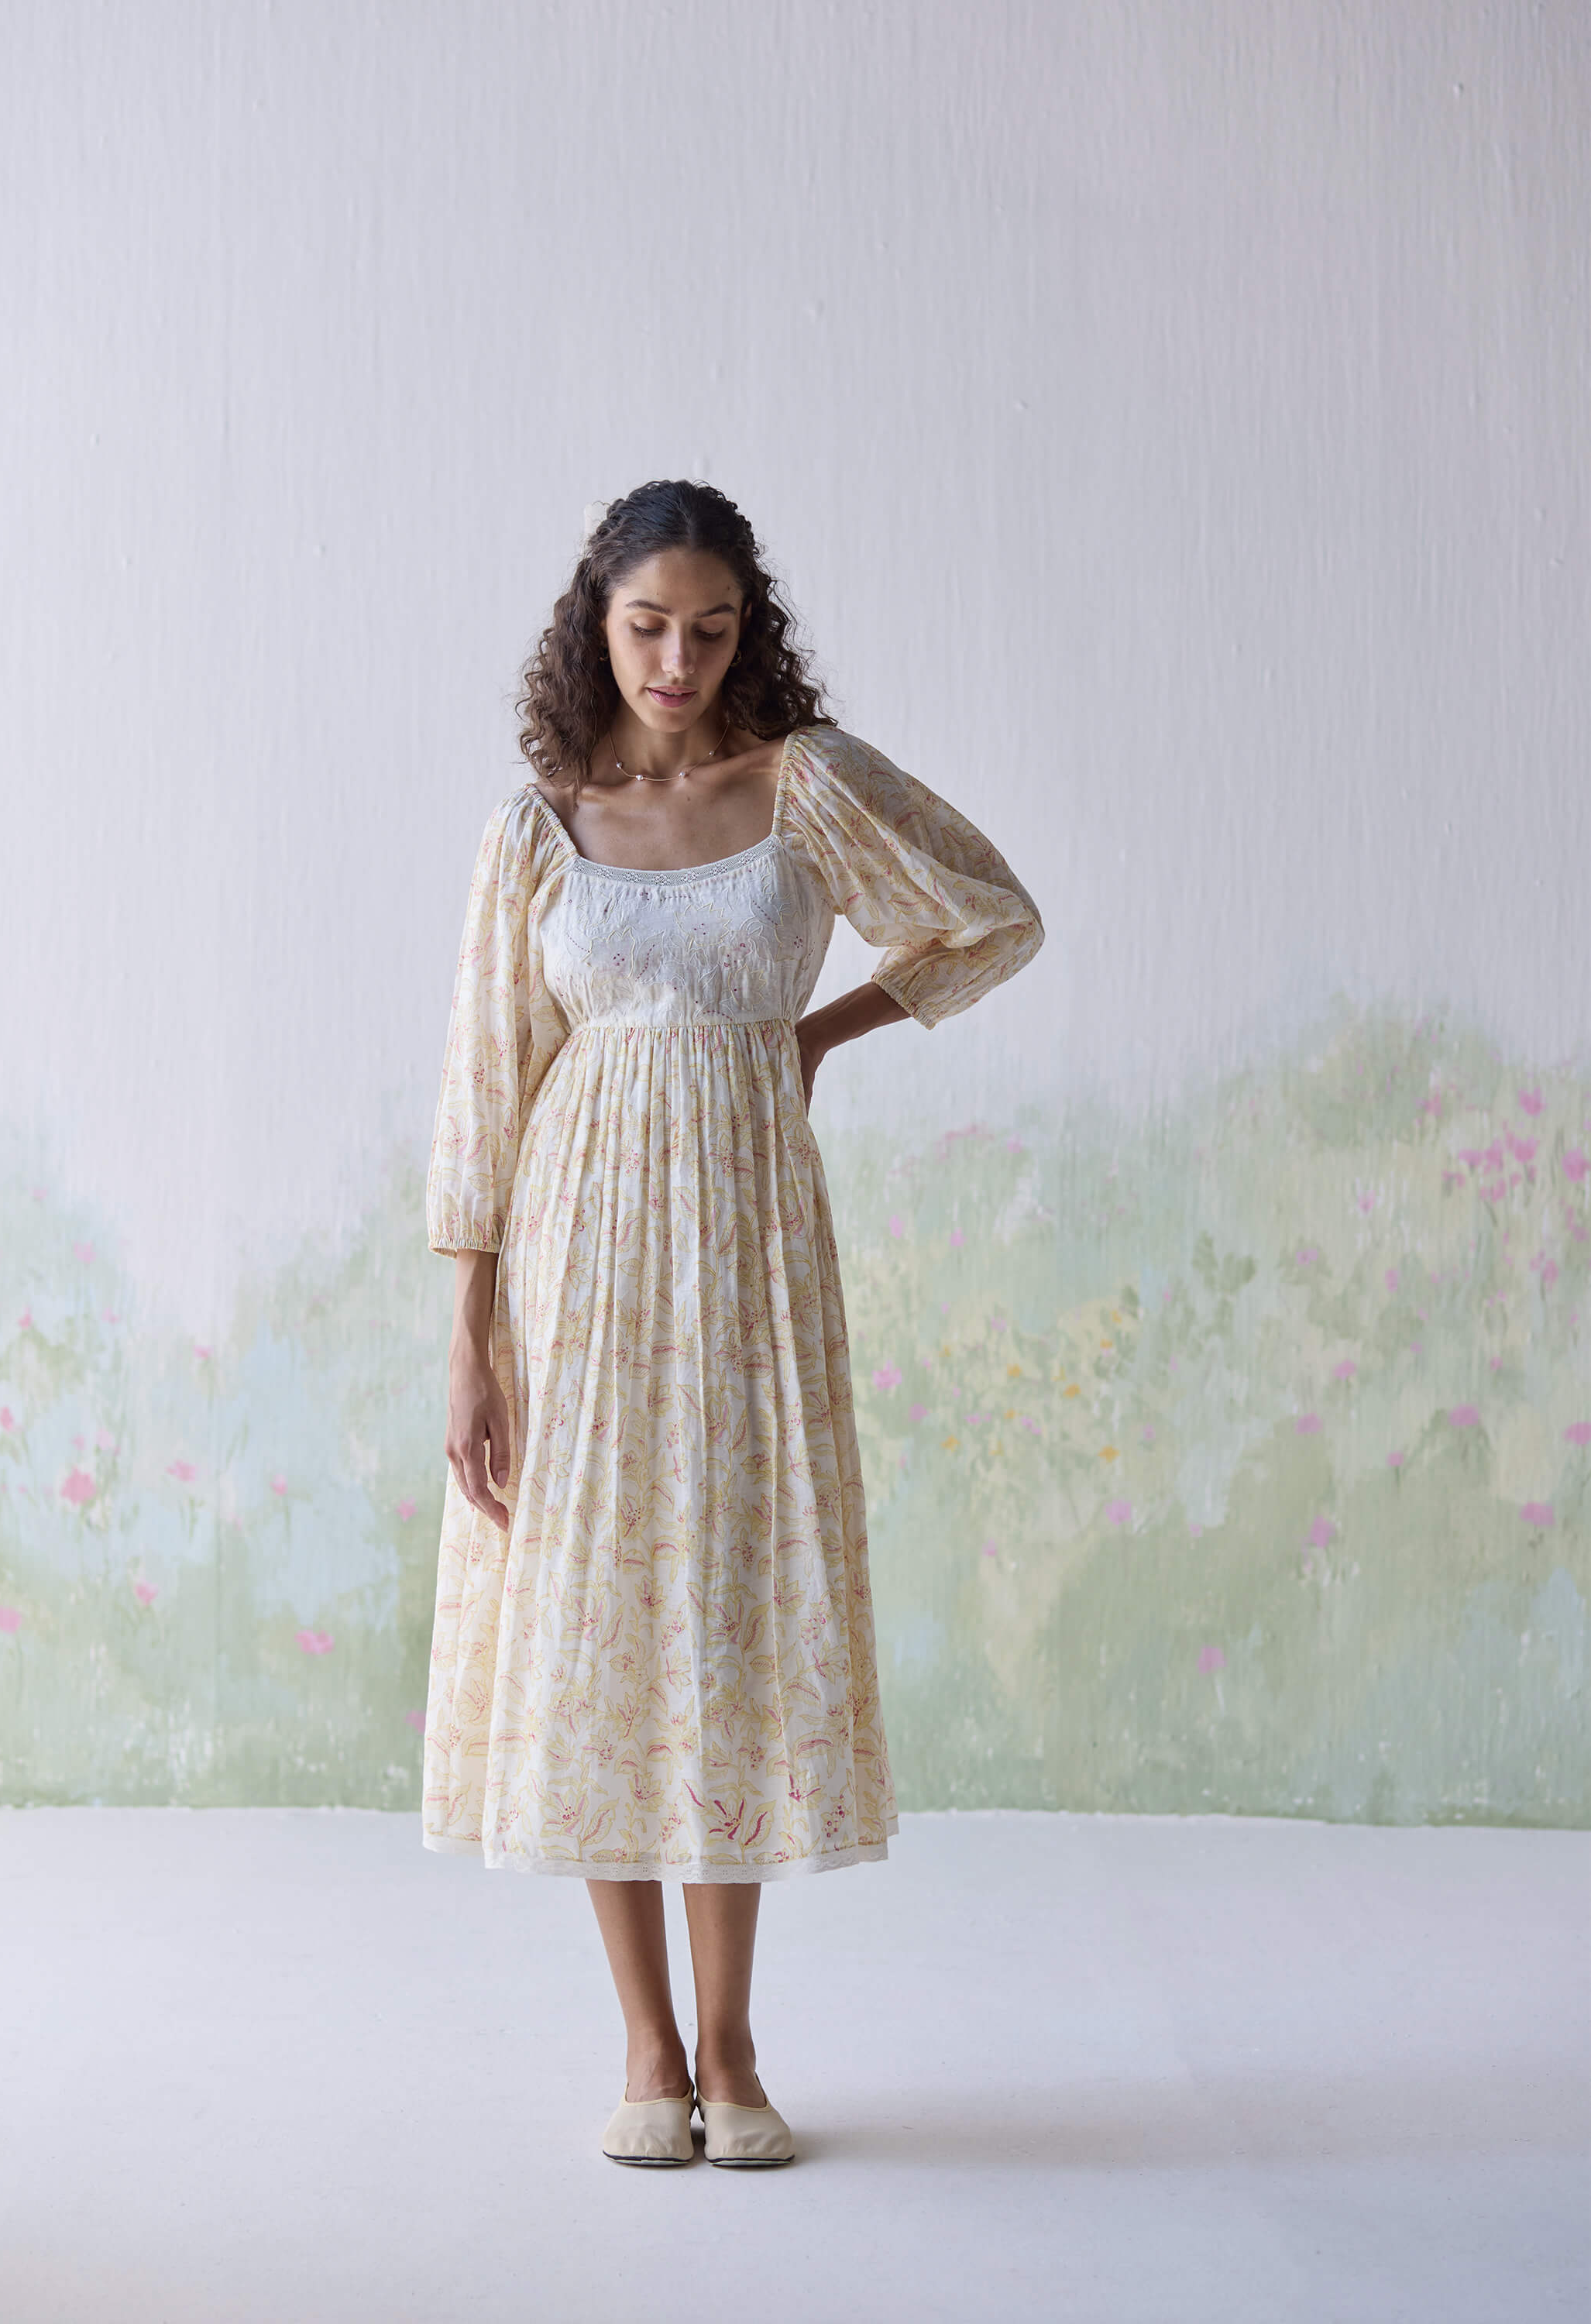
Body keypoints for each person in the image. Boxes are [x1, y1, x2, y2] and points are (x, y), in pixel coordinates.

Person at [421, 479, 1044, 2168]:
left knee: (724, 1615)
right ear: (595, 624)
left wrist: (822, 1031)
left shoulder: (806, 786)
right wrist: (470, 1342)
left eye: (710, 628)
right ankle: (645, 2045)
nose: (678, 660)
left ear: (745, 627)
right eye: (647, 627)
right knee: (595, 1624)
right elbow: (483, 1094)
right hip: (575, 1268)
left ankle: (736, 2046)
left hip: (750, 1258)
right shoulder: (537, 831)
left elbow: (990, 914)